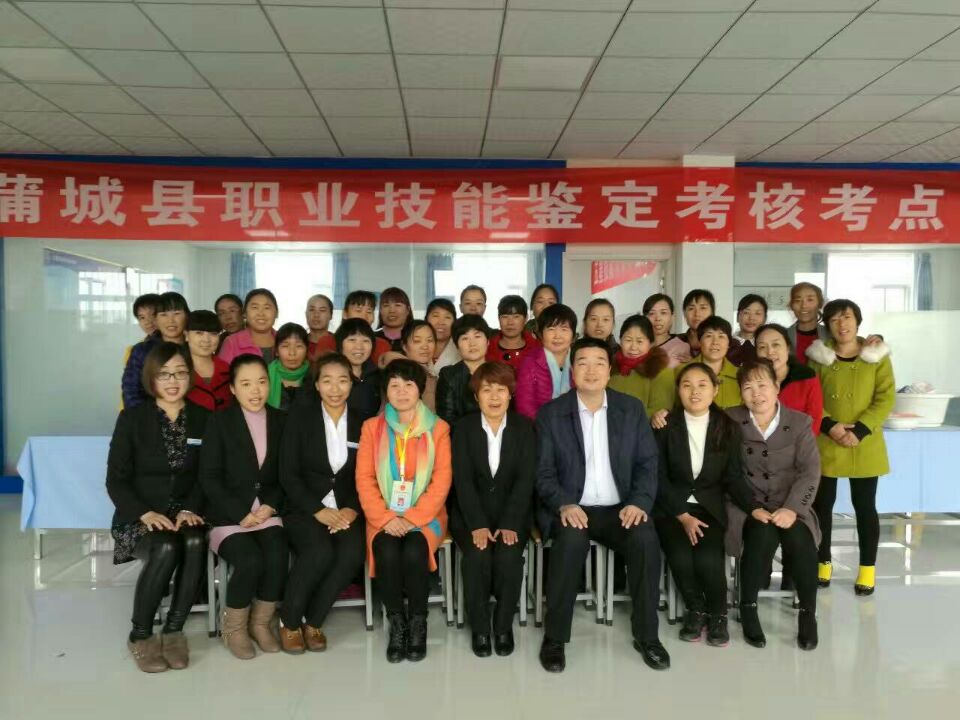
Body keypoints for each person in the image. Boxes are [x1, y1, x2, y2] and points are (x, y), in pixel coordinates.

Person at [535, 337, 669, 673]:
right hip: (573, 508)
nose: (591, 370)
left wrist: (639, 502)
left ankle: (648, 636)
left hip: (619, 509)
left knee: (645, 539)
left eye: (599, 363)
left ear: (610, 371)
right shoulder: (551, 413)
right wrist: (564, 504)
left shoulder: (630, 409)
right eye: (583, 363)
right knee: (568, 544)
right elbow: (542, 472)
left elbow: (648, 463)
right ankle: (555, 638)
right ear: (572, 371)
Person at [106, 342, 209, 673]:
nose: (173, 381)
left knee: (195, 540)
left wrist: (190, 508)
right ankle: (140, 634)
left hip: (186, 511)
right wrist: (145, 513)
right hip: (140, 515)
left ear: (190, 376)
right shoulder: (132, 419)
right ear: (151, 379)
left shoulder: (204, 418)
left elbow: (208, 474)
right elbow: (116, 480)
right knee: (165, 547)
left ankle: (174, 631)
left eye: (180, 373)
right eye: (164, 374)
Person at [355, 359, 453, 663]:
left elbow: (441, 480)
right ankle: (397, 622)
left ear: (420, 389)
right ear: (385, 391)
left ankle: (418, 621)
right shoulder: (372, 428)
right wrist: (386, 518)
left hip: (427, 515)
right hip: (382, 514)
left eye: (408, 384)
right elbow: (365, 479)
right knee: (386, 550)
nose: (401, 391)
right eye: (394, 385)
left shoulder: (438, 428)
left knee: (414, 550)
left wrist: (411, 518)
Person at [725, 359, 821, 651]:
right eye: (748, 387)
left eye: (762, 385)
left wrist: (792, 508)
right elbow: (726, 471)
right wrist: (752, 507)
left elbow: (810, 471)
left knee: (800, 538)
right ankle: (748, 607)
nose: (756, 393)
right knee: (760, 534)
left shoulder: (800, 422)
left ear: (777, 387)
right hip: (746, 504)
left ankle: (808, 614)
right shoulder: (729, 420)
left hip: (790, 503)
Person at [655, 363, 752, 647]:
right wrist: (681, 514)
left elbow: (734, 476)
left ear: (715, 390)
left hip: (709, 507)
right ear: (678, 391)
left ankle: (718, 614)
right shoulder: (665, 425)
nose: (694, 391)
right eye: (687, 385)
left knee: (709, 559)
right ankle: (695, 609)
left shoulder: (728, 427)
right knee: (680, 557)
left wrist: (754, 507)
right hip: (672, 508)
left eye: (702, 385)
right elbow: (657, 476)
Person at [200, 354, 287, 660]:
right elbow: (209, 477)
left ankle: (261, 623)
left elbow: (287, 473)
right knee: (250, 560)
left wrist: (271, 505)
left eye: (261, 382)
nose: (256, 390)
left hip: (267, 513)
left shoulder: (281, 420)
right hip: (228, 516)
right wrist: (240, 512)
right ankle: (234, 628)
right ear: (233, 389)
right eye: (246, 384)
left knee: (277, 554)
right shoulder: (220, 422)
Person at [806, 299, 894, 596]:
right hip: (827, 439)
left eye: (847, 318)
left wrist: (860, 429)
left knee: (865, 507)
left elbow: (885, 397)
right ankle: (823, 563)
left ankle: (867, 569)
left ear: (857, 320)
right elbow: (811, 397)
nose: (841, 324)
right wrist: (829, 425)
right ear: (827, 325)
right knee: (822, 507)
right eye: (834, 319)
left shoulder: (876, 354)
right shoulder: (819, 356)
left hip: (865, 441)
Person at [279, 353, 365, 654]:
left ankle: (313, 621)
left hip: (346, 509)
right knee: (319, 551)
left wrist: (351, 508)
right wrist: (318, 510)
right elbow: (288, 474)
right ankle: (289, 621)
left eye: (342, 380)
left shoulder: (362, 423)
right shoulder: (300, 419)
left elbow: (367, 473)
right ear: (316, 385)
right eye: (327, 381)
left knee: (352, 552)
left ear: (351, 383)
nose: (335, 388)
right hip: (305, 507)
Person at [450, 362, 534, 658]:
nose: (494, 396)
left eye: (501, 389)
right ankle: (480, 627)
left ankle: (503, 626)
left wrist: (510, 522)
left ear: (511, 394)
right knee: (477, 556)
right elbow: (462, 480)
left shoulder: (525, 428)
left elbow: (526, 479)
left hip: (514, 513)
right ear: (476, 397)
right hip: (470, 514)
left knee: (509, 557)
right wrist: (477, 524)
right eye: (487, 390)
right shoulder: (463, 429)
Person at [122, 292, 189, 409]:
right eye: (163, 314)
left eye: (176, 313)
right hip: (150, 416)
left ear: (187, 316)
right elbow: (131, 391)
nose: (171, 321)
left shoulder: (196, 347)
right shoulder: (142, 350)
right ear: (157, 319)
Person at [755, 323, 823, 432]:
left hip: (799, 441)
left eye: (776, 345)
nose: (770, 352)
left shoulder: (807, 376)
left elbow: (814, 419)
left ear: (788, 348)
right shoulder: (751, 380)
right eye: (762, 347)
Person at [515, 303, 577, 421]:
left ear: (573, 334)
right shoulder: (529, 363)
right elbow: (524, 407)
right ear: (541, 334)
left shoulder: (579, 360)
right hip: (539, 427)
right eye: (551, 329)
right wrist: (547, 427)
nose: (557, 336)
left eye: (564, 329)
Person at [608, 314, 675, 419]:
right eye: (628, 340)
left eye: (639, 341)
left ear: (651, 343)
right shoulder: (610, 369)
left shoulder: (661, 372)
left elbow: (659, 411)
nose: (633, 347)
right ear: (620, 340)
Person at [436, 314, 491, 427]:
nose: (472, 343)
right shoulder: (449, 376)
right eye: (465, 338)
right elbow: (447, 420)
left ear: (488, 341)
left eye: (477, 336)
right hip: (461, 436)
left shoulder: (501, 373)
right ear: (456, 346)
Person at [311, 290, 392, 363]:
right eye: (358, 310)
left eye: (369, 311)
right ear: (345, 314)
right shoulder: (328, 342)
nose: (364, 316)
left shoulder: (382, 345)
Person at [678, 316, 741, 410]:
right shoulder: (681, 371)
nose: (715, 342)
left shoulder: (741, 376)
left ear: (729, 344)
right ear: (700, 342)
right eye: (709, 336)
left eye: (721, 336)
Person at [334, 318, 381, 422]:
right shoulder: (329, 376)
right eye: (352, 340)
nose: (359, 347)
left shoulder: (380, 376)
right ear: (340, 344)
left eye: (365, 341)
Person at [185, 310, 231, 412]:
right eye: (199, 333)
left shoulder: (227, 369)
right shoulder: (177, 369)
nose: (206, 340)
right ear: (186, 335)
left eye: (213, 334)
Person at [120, 293, 161, 407]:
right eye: (142, 317)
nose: (148, 322)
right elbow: (130, 390)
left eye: (153, 315)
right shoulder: (136, 351)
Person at [218, 288, 278, 365]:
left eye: (267, 308)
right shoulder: (231, 343)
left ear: (276, 313)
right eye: (255, 307)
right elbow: (223, 372)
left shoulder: (285, 340)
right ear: (245, 313)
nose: (261, 314)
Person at [487, 294, 539, 371]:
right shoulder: (488, 348)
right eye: (505, 317)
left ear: (526, 318)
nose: (510, 323)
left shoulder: (537, 348)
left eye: (516, 317)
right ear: (498, 319)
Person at [267, 322, 310, 411]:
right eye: (285, 346)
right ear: (276, 351)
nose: (292, 353)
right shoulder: (265, 376)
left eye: (299, 346)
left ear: (307, 350)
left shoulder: (314, 376)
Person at [642, 293, 691, 368]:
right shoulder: (638, 345)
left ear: (672, 317)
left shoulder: (681, 347)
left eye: (663, 313)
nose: (658, 318)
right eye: (651, 313)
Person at [400, 320, 439, 412]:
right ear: (404, 346)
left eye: (430, 340)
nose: (425, 346)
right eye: (417, 341)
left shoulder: (432, 375)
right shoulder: (399, 374)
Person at [787, 282, 830, 364]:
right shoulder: (784, 335)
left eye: (810, 300)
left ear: (820, 304)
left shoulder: (831, 334)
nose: (804, 306)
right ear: (792, 305)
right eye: (798, 301)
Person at [728, 294, 768, 366]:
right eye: (746, 312)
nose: (751, 318)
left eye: (757, 313)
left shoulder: (768, 346)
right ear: (737, 317)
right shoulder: (727, 344)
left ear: (764, 319)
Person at [426, 298, 460, 375]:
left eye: (447, 317)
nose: (441, 322)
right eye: (435, 316)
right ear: (426, 319)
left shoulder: (461, 348)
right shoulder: (416, 345)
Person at [376, 287, 413, 353]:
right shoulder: (371, 338)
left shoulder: (416, 337)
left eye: (397, 305)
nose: (392, 310)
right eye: (386, 305)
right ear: (380, 310)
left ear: (408, 310)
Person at [681, 289, 715, 356]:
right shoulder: (676, 342)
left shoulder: (728, 344)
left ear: (712, 313)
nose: (697, 314)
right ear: (684, 314)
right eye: (691, 308)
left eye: (703, 308)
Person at [305, 294, 334, 360]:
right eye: (312, 310)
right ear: (306, 314)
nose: (316, 315)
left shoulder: (339, 342)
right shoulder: (299, 342)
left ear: (331, 315)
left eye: (322, 310)